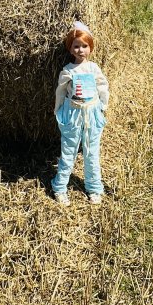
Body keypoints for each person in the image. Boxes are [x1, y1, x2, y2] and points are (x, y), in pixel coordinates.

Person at [51, 22, 109, 206]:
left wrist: (103, 106)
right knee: (68, 152)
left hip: (92, 113)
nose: (80, 50)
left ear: (90, 47)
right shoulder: (68, 71)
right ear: (70, 49)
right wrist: (59, 110)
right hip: (73, 114)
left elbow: (102, 87)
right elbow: (60, 92)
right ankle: (60, 188)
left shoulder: (94, 68)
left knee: (92, 152)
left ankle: (94, 188)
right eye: (76, 46)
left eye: (84, 46)